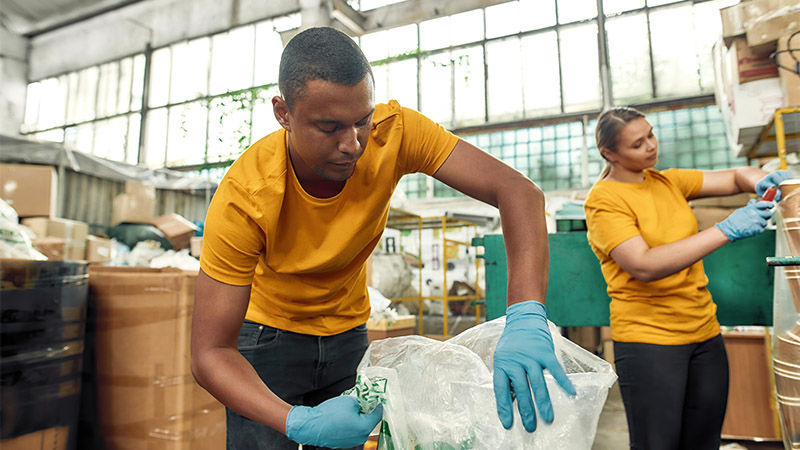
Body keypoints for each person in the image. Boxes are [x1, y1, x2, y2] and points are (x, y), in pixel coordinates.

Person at [190, 26, 575, 450]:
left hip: (348, 332)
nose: (352, 144)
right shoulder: (246, 196)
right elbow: (210, 353)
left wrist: (525, 314)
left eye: (361, 120)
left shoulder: (396, 133)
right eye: (329, 127)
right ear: (283, 113)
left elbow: (519, 193)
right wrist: (296, 421)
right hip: (266, 339)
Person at [583, 106, 791, 449]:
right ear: (610, 153)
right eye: (638, 143)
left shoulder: (668, 181)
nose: (651, 145)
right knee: (658, 444)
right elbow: (644, 265)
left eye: (650, 134)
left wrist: (764, 180)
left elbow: (737, 177)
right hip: (650, 342)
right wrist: (726, 230)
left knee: (703, 442)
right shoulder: (604, 201)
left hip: (704, 333)